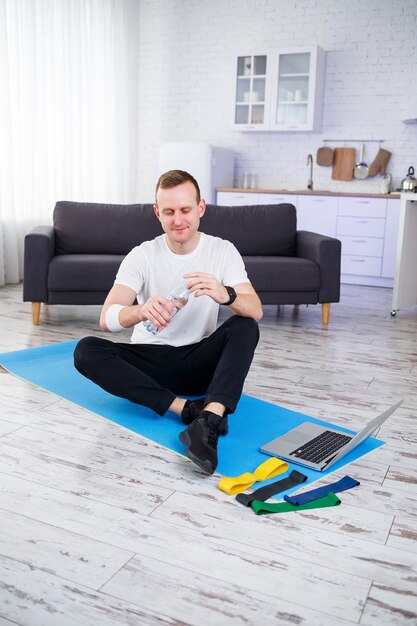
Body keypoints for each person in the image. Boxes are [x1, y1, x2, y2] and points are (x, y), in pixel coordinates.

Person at [74, 169, 262, 474]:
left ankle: (209, 421)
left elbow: (255, 310)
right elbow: (107, 319)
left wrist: (226, 294)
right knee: (86, 350)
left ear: (201, 208)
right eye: (169, 212)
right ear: (157, 213)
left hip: (199, 362)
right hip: (149, 365)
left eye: (186, 210)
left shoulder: (222, 251)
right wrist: (141, 310)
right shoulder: (142, 255)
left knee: (245, 325)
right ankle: (188, 410)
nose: (178, 220)